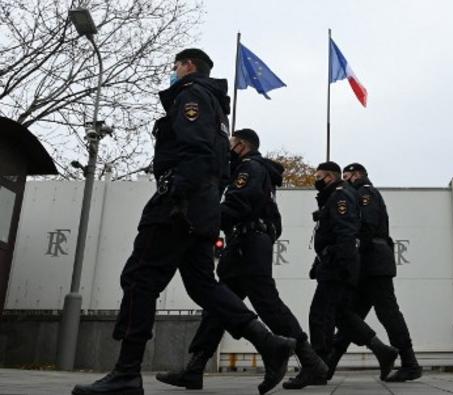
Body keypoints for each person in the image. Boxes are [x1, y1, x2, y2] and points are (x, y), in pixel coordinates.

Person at [72, 49, 294, 395]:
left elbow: (198, 152)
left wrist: (175, 193)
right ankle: (269, 343)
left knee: (140, 279)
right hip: (203, 209)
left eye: (175, 66)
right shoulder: (217, 108)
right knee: (204, 285)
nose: (173, 72)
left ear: (188, 66)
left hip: (179, 205)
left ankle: (127, 372)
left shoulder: (192, 95)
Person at [155, 129, 328, 391]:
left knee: (266, 303)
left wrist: (204, 218)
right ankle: (195, 367)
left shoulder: (250, 168)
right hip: (243, 244)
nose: (228, 149)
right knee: (219, 307)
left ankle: (310, 360)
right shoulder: (256, 170)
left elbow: (239, 203)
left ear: (243, 146)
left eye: (231, 144)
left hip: (248, 244)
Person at [326, 163, 422, 382]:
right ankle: (329, 363)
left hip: (374, 261)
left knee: (387, 313)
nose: (345, 180)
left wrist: (352, 251)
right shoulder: (359, 192)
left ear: (357, 175)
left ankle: (410, 363)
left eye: (347, 176)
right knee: (350, 315)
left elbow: (366, 226)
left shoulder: (365, 192)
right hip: (367, 262)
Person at [307, 161, 398, 382]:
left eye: (319, 176)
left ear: (329, 176)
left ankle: (316, 367)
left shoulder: (340, 196)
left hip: (338, 266)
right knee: (342, 315)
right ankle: (382, 351)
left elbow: (346, 233)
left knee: (320, 315)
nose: (316, 180)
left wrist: (344, 266)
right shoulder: (335, 195)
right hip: (337, 264)